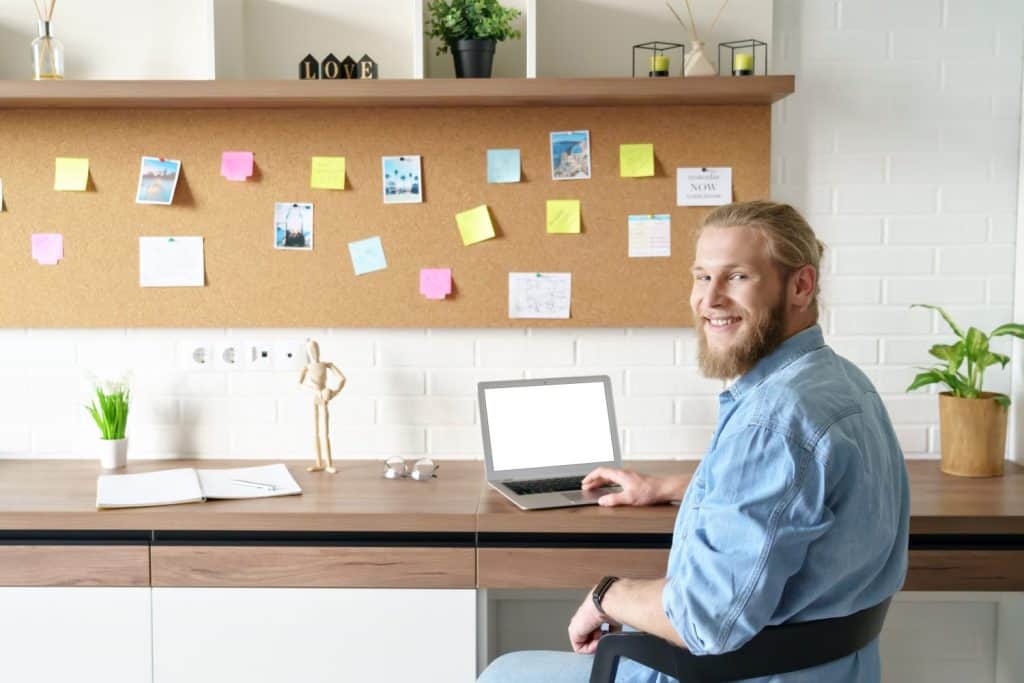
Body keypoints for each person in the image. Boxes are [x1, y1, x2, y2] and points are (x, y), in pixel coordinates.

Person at [478, 200, 910, 683]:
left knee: (504, 671)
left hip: (731, 675)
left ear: (800, 286)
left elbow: (705, 620)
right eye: (702, 276)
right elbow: (792, 495)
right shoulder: (842, 384)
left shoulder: (772, 422)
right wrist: (665, 487)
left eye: (737, 277)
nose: (710, 299)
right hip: (829, 672)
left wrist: (607, 594)